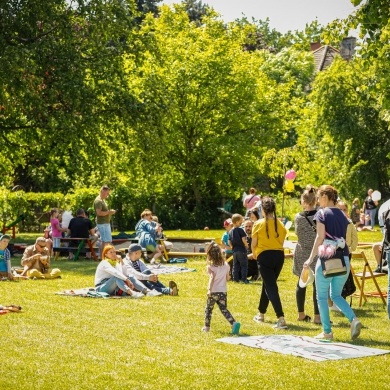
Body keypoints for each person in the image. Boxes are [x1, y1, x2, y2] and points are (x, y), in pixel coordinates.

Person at [303, 185, 362, 340]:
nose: (317, 201)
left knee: (321, 297)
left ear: (324, 197)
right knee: (336, 295)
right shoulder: (343, 215)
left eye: (318, 197)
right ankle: (353, 319)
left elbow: (320, 237)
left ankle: (327, 332)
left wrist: (310, 258)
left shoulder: (321, 213)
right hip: (343, 260)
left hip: (327, 259)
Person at [252, 196, 288, 329]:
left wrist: (255, 254)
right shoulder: (280, 224)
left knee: (271, 286)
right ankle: (261, 313)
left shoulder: (258, 224)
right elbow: (282, 242)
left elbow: (254, 244)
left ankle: (281, 318)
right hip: (279, 256)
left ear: (263, 209)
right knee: (268, 284)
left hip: (264, 256)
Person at [293, 186, 320, 324]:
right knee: (317, 284)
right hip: (316, 252)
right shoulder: (320, 215)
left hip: (302, 251)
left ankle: (301, 314)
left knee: (301, 283)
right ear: (316, 200)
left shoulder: (298, 218)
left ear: (303, 201)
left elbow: (298, 234)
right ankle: (317, 316)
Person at [202, 241, 240, 334]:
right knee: (224, 309)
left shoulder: (211, 267)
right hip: (223, 291)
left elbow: (212, 278)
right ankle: (233, 323)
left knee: (208, 309)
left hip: (214, 291)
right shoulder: (226, 265)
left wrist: (209, 290)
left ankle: (206, 327)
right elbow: (227, 278)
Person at [94, 185, 116, 259]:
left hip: (105, 223)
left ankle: (102, 257)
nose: (107, 195)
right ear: (102, 191)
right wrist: (109, 212)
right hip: (102, 224)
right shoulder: (98, 201)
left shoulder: (102, 200)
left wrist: (109, 212)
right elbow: (99, 213)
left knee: (105, 241)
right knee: (106, 240)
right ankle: (104, 257)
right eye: (107, 193)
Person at [228, 213, 249, 284]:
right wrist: (246, 245)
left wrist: (232, 247)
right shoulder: (240, 230)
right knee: (244, 265)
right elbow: (243, 239)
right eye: (241, 220)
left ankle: (235, 279)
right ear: (236, 222)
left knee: (235, 266)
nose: (242, 222)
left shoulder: (230, 231)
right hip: (241, 250)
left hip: (234, 251)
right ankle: (244, 279)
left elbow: (229, 241)